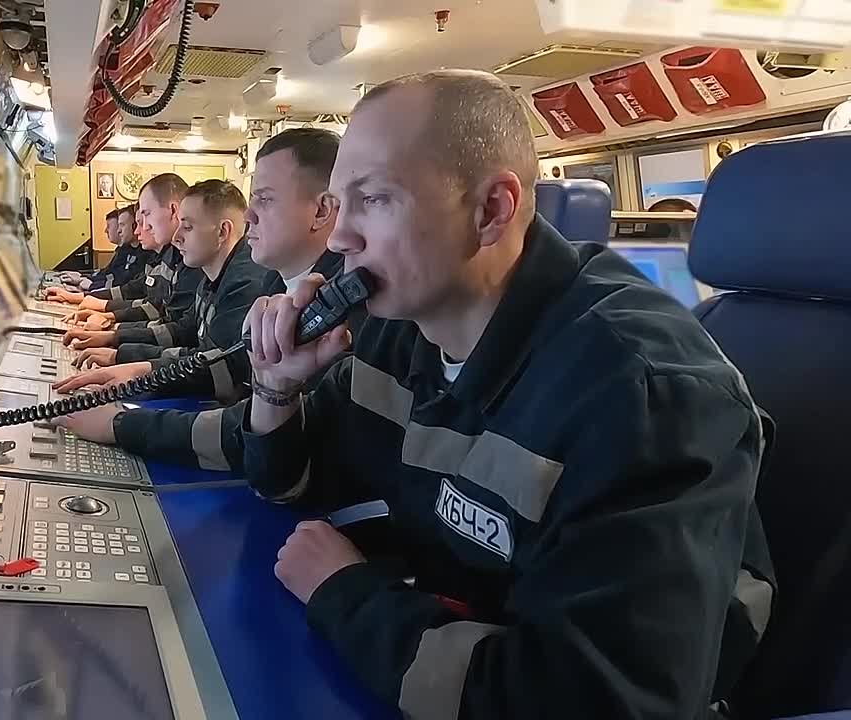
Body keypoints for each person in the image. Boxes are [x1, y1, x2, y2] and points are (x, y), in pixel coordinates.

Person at [241, 70, 775, 718]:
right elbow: (290, 483)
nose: (339, 238)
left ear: (491, 210)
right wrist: (277, 385)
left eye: (374, 199)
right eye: (338, 204)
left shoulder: (640, 395)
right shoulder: (397, 329)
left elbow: (599, 702)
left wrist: (345, 594)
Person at [49, 128, 355, 471]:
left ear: (321, 210)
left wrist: (121, 424)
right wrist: (135, 364)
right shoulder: (274, 283)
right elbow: (224, 359)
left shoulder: (331, 311)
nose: (248, 216)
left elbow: (253, 416)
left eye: (265, 199)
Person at [50, 179, 271, 402]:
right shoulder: (211, 274)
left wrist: (135, 368)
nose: (176, 237)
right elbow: (184, 331)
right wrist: (120, 348)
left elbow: (219, 371)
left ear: (223, 231)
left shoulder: (244, 284)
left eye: (187, 227)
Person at [44, 174, 199, 331]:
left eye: (146, 214)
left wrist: (113, 328)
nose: (142, 228)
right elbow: (149, 302)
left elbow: (176, 329)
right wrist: (108, 315)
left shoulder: (189, 263)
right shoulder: (169, 256)